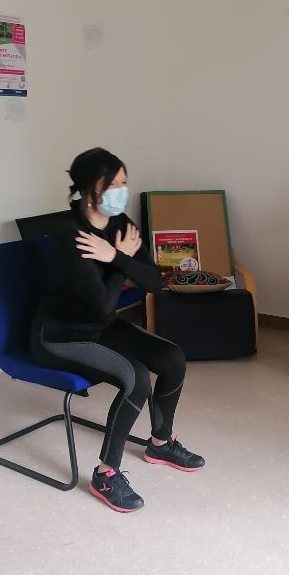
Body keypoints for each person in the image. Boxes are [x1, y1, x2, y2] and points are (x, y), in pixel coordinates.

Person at [30, 148, 205, 513]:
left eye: (124, 183)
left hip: (100, 326)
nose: (120, 191)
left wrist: (114, 257)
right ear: (86, 188)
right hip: (62, 335)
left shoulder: (120, 223)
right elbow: (103, 304)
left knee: (172, 358)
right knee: (136, 377)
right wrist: (121, 263)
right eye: (112, 185)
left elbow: (154, 281)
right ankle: (106, 473)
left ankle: (160, 443)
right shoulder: (69, 233)